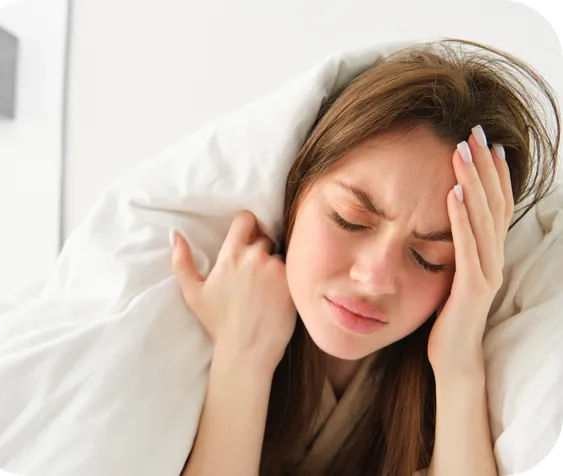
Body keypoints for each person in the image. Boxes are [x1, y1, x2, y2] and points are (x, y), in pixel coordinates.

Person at [170, 38, 561, 476]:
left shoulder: (477, 377)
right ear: (297, 189)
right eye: (350, 219)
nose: (374, 278)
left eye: (428, 257)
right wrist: (243, 359)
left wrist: (458, 361)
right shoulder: (189, 329)